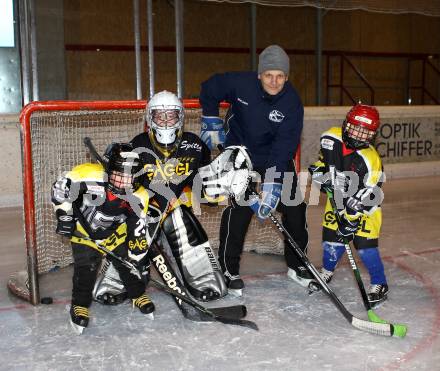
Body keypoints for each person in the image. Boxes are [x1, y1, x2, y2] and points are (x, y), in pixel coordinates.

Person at [93, 90, 228, 305]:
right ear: (150, 118)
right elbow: (128, 186)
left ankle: (203, 278)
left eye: (171, 115)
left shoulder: (194, 145)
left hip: (177, 211)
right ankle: (119, 278)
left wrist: (214, 188)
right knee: (137, 225)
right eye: (159, 115)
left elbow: (202, 186)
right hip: (146, 211)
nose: (165, 121)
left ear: (180, 117)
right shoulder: (138, 144)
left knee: (181, 222)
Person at [199, 44, 310, 294]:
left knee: (294, 206)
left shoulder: (292, 103)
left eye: (280, 76)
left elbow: (284, 148)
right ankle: (229, 269)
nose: (274, 81)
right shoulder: (240, 83)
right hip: (242, 154)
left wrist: (272, 185)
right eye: (269, 75)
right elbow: (209, 88)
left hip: (274, 156)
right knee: (240, 209)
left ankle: (298, 264)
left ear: (286, 77)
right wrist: (210, 118)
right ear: (259, 74)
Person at [51, 142, 155, 334]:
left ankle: (138, 294)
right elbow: (60, 186)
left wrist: (138, 255)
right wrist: (65, 216)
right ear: (108, 170)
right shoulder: (89, 176)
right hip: (84, 233)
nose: (125, 183)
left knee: (127, 265)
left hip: (115, 234)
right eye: (119, 176)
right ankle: (80, 304)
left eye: (130, 177)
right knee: (87, 268)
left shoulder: (139, 196)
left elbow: (137, 227)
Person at [309, 104, 388, 306]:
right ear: (346, 124)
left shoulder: (371, 161)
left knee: (364, 245)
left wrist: (350, 221)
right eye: (356, 128)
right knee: (331, 241)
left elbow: (368, 197)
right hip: (337, 200)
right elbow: (322, 164)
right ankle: (326, 272)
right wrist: (319, 174)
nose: (360, 135)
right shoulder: (329, 138)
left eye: (366, 132)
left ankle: (380, 283)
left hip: (364, 208)